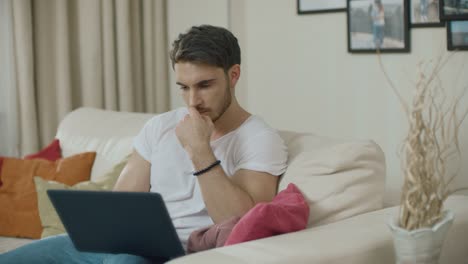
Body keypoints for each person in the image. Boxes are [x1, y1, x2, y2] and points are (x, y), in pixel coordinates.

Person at [0, 25, 288, 264]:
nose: (192, 101)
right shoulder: (159, 127)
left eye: (204, 85)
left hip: (183, 253)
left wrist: (200, 151)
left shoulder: (259, 139)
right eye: (184, 87)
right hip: (130, 245)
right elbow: (121, 205)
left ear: (233, 75)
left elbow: (241, 225)